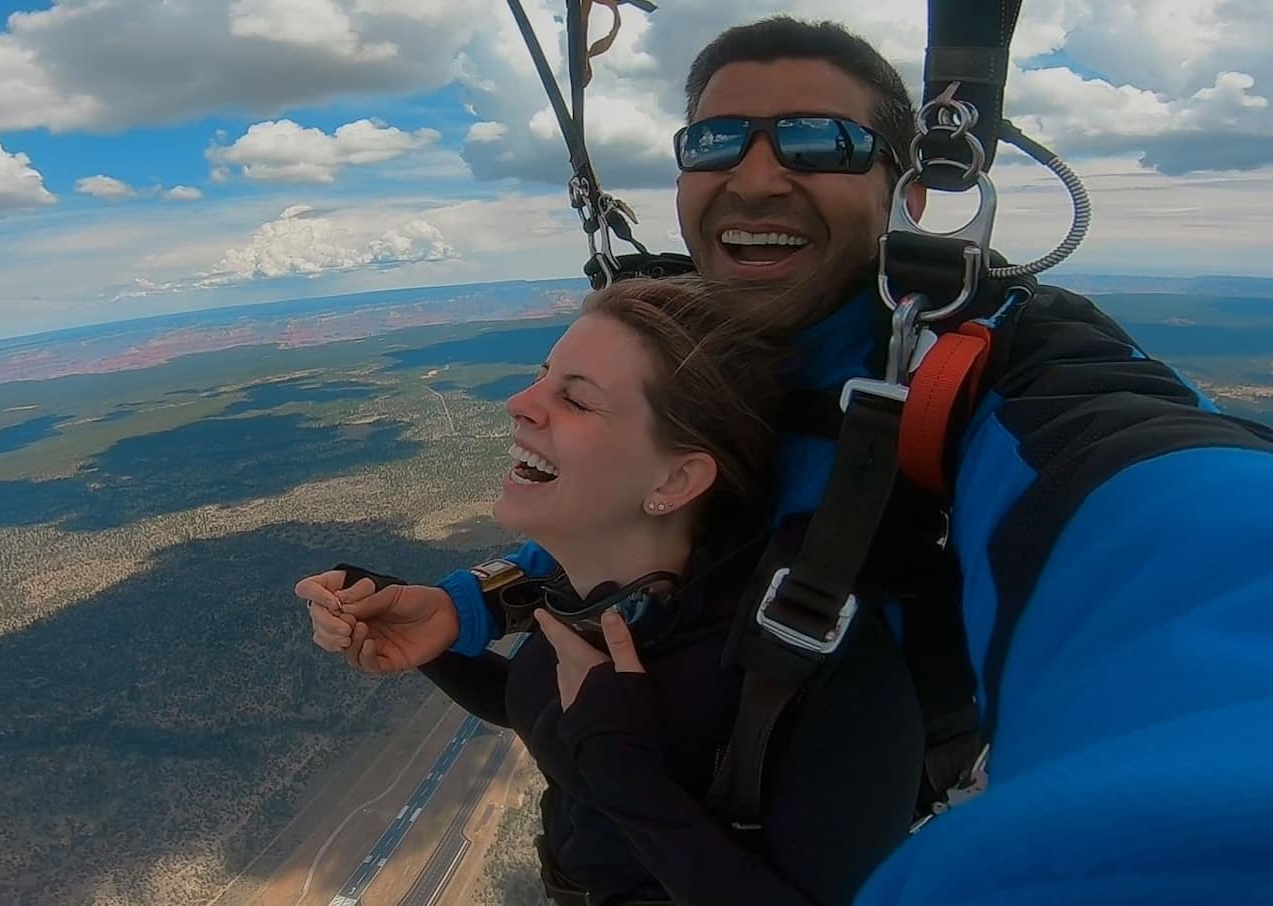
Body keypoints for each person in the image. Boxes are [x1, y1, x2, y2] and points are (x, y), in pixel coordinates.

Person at [309, 15, 1273, 905]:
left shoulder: (995, 372)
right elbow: (640, 518)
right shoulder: (691, 350)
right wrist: (471, 607)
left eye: (819, 142)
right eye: (716, 142)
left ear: (912, 188)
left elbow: (1182, 534)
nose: (757, 178)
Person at [299, 275, 927, 905]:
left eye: (575, 400)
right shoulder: (598, 604)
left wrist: (625, 772)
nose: (520, 402)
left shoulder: (812, 669)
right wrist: (434, 640)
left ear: (676, 480)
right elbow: (569, 714)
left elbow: (608, 737)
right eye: (542, 375)